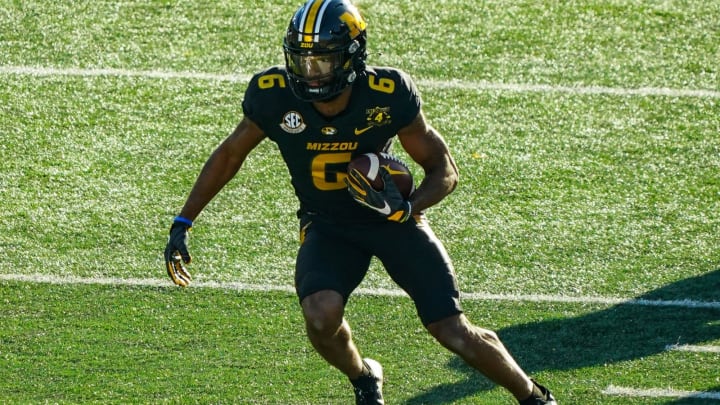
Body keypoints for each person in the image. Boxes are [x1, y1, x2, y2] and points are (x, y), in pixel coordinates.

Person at [164, 0, 557, 404]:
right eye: (302, 61)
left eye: (323, 61)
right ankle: (364, 376)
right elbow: (230, 154)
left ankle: (534, 397)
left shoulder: (386, 93)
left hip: (392, 221)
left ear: (352, 56)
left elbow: (444, 168)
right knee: (320, 316)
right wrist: (184, 220)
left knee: (451, 329)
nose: (310, 73)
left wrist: (410, 205)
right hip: (328, 224)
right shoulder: (273, 95)